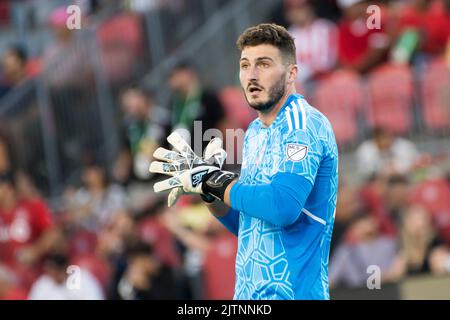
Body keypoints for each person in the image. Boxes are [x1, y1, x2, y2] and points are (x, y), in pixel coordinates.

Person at [150, 23, 339, 300]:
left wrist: (215, 181)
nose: (251, 75)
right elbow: (250, 225)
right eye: (245, 65)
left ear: (291, 74)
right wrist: (208, 192)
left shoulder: (303, 125)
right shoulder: (254, 132)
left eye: (263, 64)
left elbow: (283, 207)